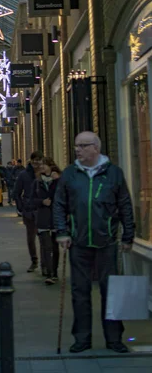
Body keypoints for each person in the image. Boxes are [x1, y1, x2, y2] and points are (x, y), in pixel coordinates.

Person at [54, 131, 135, 354]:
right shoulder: (70, 174)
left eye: (83, 145)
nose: (77, 150)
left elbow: (125, 206)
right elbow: (59, 204)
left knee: (111, 292)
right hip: (78, 242)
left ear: (96, 148)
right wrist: (62, 232)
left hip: (107, 242)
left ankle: (114, 338)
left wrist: (128, 235)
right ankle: (82, 338)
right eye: (76, 145)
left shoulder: (114, 173)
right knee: (80, 292)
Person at [13, 151, 44, 272]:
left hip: (43, 210)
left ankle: (45, 262)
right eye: (34, 159)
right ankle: (34, 260)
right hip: (29, 211)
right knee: (31, 237)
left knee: (44, 238)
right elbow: (17, 192)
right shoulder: (23, 175)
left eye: (38, 159)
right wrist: (21, 207)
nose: (36, 162)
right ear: (30, 160)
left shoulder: (45, 173)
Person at [32, 157, 61, 284]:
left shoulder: (59, 180)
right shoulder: (37, 182)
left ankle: (54, 272)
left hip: (55, 217)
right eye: (41, 164)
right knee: (47, 246)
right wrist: (41, 202)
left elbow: (64, 195)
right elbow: (30, 199)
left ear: (51, 166)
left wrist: (57, 181)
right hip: (43, 217)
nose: (42, 166)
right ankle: (49, 273)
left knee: (55, 247)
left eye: (45, 164)